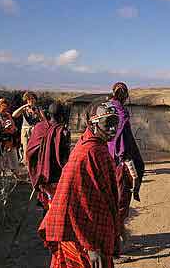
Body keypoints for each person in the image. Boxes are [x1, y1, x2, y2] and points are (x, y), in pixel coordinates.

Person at [38, 103, 120, 268]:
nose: (113, 129)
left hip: (87, 230)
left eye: (115, 123)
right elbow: (77, 203)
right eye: (107, 123)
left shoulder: (97, 146)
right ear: (93, 124)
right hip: (79, 235)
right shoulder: (88, 153)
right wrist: (90, 245)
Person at [107, 82, 145, 260]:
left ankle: (122, 241)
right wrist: (128, 158)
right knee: (120, 205)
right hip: (120, 163)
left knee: (117, 205)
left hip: (110, 162)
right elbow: (122, 142)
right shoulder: (120, 113)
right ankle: (114, 250)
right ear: (125, 95)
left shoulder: (107, 109)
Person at [27, 102, 71, 211]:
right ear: (62, 115)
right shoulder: (64, 132)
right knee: (56, 207)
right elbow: (65, 157)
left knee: (46, 205)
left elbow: (29, 152)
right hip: (56, 175)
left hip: (42, 174)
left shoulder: (38, 127)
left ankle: (44, 224)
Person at [12, 91, 45, 166]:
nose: (31, 100)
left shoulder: (38, 108)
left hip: (35, 130)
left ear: (35, 99)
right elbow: (14, 115)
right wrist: (24, 106)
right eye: (29, 99)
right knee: (26, 149)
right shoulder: (24, 109)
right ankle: (27, 166)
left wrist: (38, 113)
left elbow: (44, 121)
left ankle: (35, 166)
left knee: (36, 148)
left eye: (32, 99)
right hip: (25, 130)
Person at [0, 98, 19, 170]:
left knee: (13, 160)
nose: (4, 110)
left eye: (5, 107)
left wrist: (11, 128)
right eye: (2, 107)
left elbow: (14, 127)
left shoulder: (8, 115)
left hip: (11, 140)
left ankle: (15, 174)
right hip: (1, 141)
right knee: (1, 161)